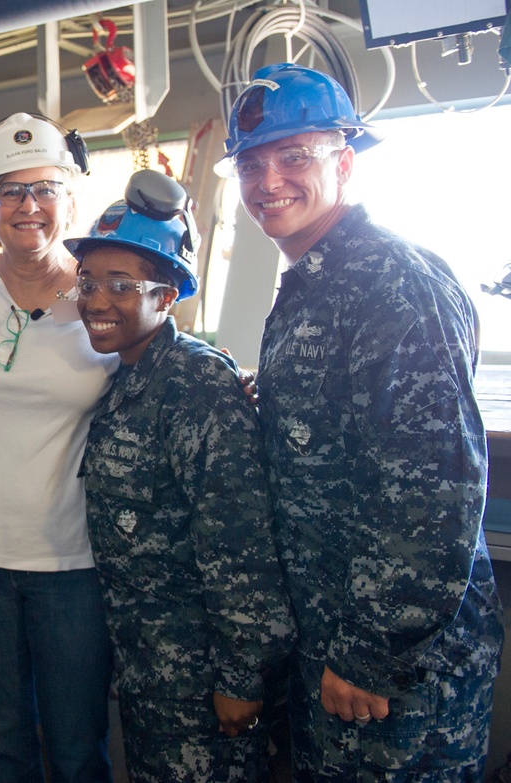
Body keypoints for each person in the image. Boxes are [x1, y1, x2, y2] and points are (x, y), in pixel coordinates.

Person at [216, 62, 505, 780]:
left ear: (345, 163)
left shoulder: (392, 282)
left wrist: (370, 649)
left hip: (390, 668)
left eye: (294, 157)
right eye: (252, 164)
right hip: (336, 639)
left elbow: (433, 486)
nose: (268, 181)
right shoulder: (316, 282)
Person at [65, 168, 297, 781]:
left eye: (121, 284)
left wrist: (239, 679)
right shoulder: (128, 379)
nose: (95, 300)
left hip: (201, 680)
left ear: (167, 296)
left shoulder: (194, 383)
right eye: (87, 283)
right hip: (150, 670)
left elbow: (239, 542)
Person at [0, 112, 117, 782]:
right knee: (2, 746)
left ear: (69, 199)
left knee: (76, 746)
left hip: (71, 562)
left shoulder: (102, 294)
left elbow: (166, 353)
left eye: (44, 190)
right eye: (9, 192)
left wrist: (231, 374)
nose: (28, 206)